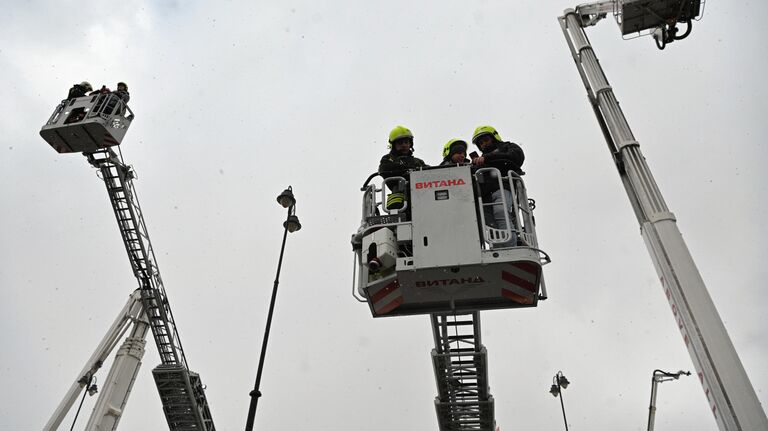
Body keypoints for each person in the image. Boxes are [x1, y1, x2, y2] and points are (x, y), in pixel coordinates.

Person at [471, 125, 525, 247]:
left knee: (501, 211)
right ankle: (497, 246)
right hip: (484, 195)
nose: (483, 144)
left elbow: (516, 157)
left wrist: (487, 158)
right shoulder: (480, 161)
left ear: (494, 138)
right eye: (481, 143)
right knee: (489, 222)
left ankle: (511, 245)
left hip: (502, 188)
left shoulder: (508, 147)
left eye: (486, 140)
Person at [378, 125, 427, 210]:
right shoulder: (388, 159)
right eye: (400, 143)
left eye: (406, 142)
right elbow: (384, 169)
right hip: (399, 201)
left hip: (420, 197)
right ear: (393, 145)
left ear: (410, 144)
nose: (404, 145)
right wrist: (407, 170)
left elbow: (429, 172)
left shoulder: (418, 162)